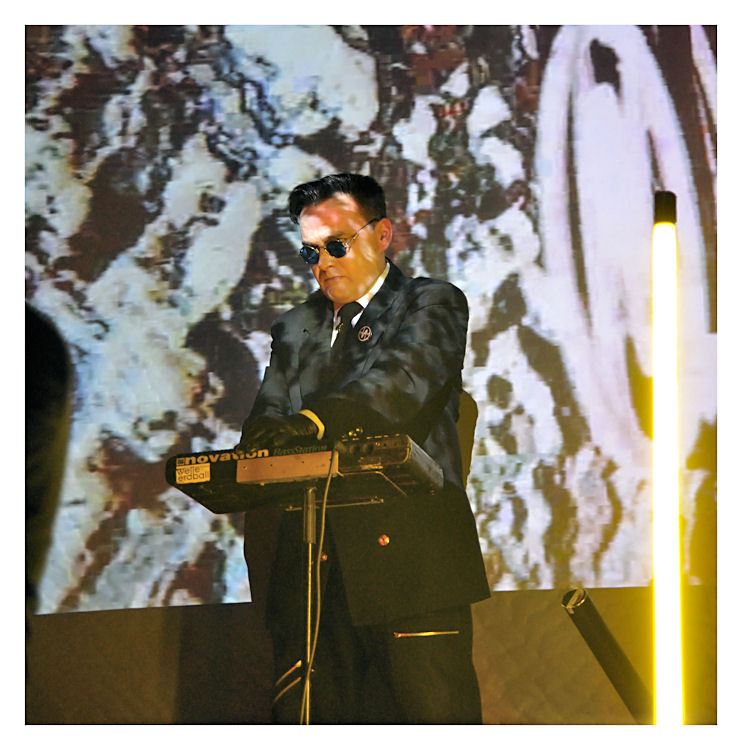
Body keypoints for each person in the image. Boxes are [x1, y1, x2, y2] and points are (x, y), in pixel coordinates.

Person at [237, 173, 490, 724]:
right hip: (313, 573)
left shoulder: (430, 302)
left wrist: (309, 423)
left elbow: (401, 386)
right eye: (310, 252)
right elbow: (266, 419)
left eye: (336, 245)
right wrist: (260, 443)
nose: (322, 263)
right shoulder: (296, 327)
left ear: (381, 235)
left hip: (408, 563)